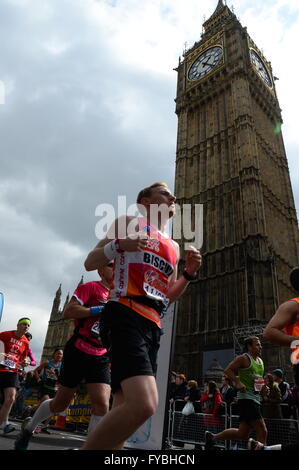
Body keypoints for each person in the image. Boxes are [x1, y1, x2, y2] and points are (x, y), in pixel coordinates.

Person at [81, 181, 202, 450]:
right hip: (124, 312)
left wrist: (189, 274)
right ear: (146, 201)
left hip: (152, 325)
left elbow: (168, 294)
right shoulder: (128, 222)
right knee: (145, 404)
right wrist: (119, 245)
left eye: (172, 195)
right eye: (164, 193)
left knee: (124, 410)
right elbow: (90, 262)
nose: (172, 197)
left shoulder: (173, 246)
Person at [15, 264, 114, 450]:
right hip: (78, 350)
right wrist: (97, 310)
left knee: (101, 404)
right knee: (60, 404)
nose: (115, 267)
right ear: (101, 270)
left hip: (100, 354)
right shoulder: (90, 288)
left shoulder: (121, 297)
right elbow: (69, 312)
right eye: (110, 265)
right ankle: (29, 429)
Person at [204, 336, 267, 450]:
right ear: (249, 346)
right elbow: (228, 370)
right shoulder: (243, 358)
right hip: (247, 399)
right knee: (262, 431)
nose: (260, 346)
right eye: (257, 344)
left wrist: (263, 390)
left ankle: (212, 437)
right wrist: (237, 382)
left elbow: (258, 380)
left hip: (255, 399)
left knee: (242, 434)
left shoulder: (260, 361)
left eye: (260, 344)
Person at [0, 318, 30, 434]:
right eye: (24, 324)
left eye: (28, 325)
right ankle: (5, 422)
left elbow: (23, 358)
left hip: (12, 371)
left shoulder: (26, 342)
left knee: (11, 398)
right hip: (0, 368)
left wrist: (25, 362)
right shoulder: (5, 335)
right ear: (18, 325)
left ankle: (4, 423)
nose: (26, 327)